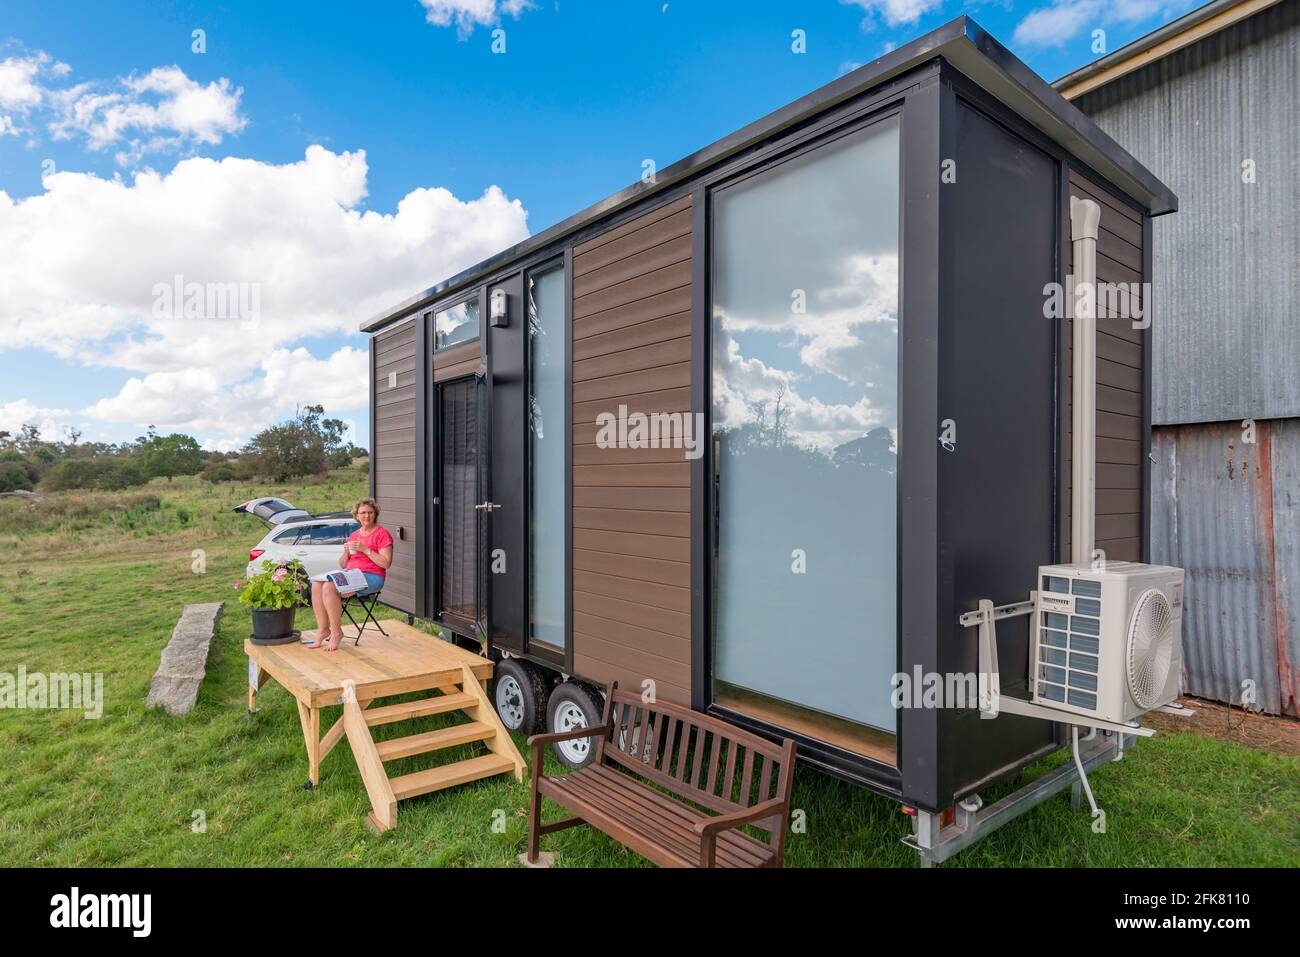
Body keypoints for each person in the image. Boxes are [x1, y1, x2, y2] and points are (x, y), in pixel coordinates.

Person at [306, 498, 393, 651]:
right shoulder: (354, 535)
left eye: (370, 512)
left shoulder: (382, 534)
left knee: (329, 586)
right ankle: (323, 629)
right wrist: (346, 552)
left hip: (371, 576)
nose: (366, 516)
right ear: (357, 516)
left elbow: (386, 563)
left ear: (375, 514)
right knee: (316, 584)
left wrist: (366, 549)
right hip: (350, 574)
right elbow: (343, 564)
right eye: (363, 513)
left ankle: (336, 632)